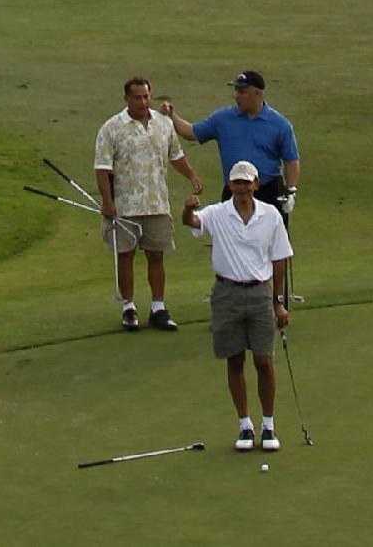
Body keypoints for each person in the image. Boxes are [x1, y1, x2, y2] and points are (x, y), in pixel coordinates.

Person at [183, 160, 293, 451]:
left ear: (256, 184)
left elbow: (279, 258)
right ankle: (245, 425)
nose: (242, 187)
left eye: (247, 182)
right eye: (237, 182)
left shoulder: (271, 215)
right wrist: (187, 209)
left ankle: (268, 425)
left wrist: (278, 303)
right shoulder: (218, 213)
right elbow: (193, 222)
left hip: (259, 293)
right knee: (234, 359)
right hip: (226, 293)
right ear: (230, 185)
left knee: (264, 360)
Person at [92, 76, 198, 332]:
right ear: (126, 98)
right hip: (124, 206)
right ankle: (128, 307)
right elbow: (102, 169)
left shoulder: (163, 124)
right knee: (125, 257)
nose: (142, 101)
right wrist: (107, 202)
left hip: (157, 204)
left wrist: (192, 175)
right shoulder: (112, 128)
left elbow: (176, 155)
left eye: (146, 96)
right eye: (137, 97)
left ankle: (158, 308)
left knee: (156, 257)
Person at [166, 69, 300, 219]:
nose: (237, 96)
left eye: (242, 92)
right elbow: (191, 133)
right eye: (236, 91)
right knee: (230, 238)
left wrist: (290, 191)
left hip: (268, 191)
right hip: (234, 190)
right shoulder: (223, 119)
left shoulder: (280, 125)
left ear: (258, 93)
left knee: (272, 240)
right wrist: (172, 116)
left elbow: (290, 160)